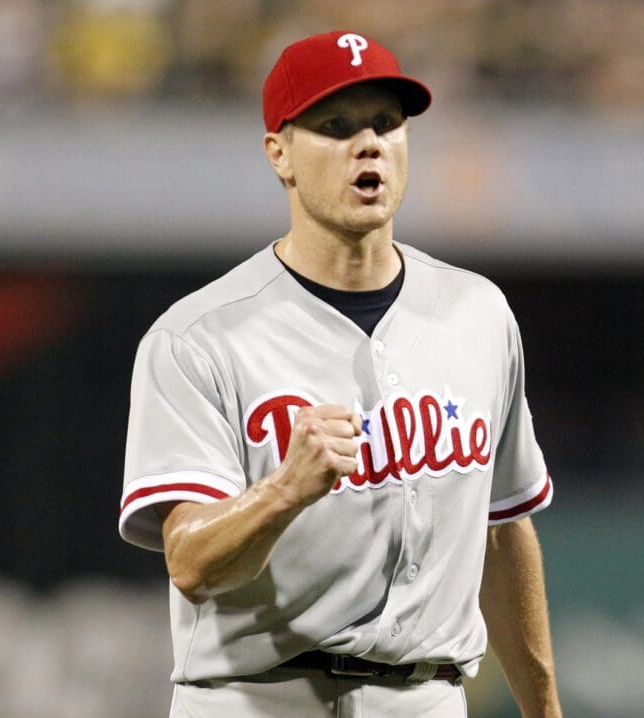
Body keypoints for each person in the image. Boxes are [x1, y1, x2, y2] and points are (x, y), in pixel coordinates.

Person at [118, 30, 561, 718]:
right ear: (279, 154)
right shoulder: (197, 338)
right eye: (335, 126)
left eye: (387, 123)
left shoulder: (479, 314)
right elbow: (191, 564)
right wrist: (285, 492)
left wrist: (544, 711)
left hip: (429, 696)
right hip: (258, 696)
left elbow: (504, 532)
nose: (370, 144)